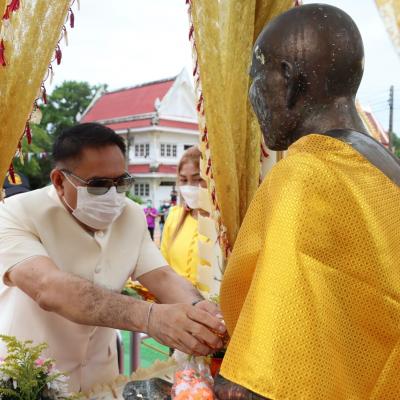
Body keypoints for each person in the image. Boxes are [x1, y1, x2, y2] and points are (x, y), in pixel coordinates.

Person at [214, 4, 400, 400]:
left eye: (255, 78)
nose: (252, 96)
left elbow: (264, 383)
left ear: (287, 79)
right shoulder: (384, 167)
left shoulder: (306, 174)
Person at [0, 123, 225, 393]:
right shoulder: (14, 212)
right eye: (98, 185)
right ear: (59, 181)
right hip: (27, 380)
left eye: (121, 183)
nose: (112, 195)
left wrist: (200, 311)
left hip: (102, 380)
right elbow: (48, 288)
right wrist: (150, 317)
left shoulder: (131, 214)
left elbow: (163, 276)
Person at [160, 146, 207, 289]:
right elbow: (163, 269)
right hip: (174, 299)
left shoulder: (224, 225)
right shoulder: (174, 216)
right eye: (183, 180)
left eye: (197, 179)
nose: (189, 186)